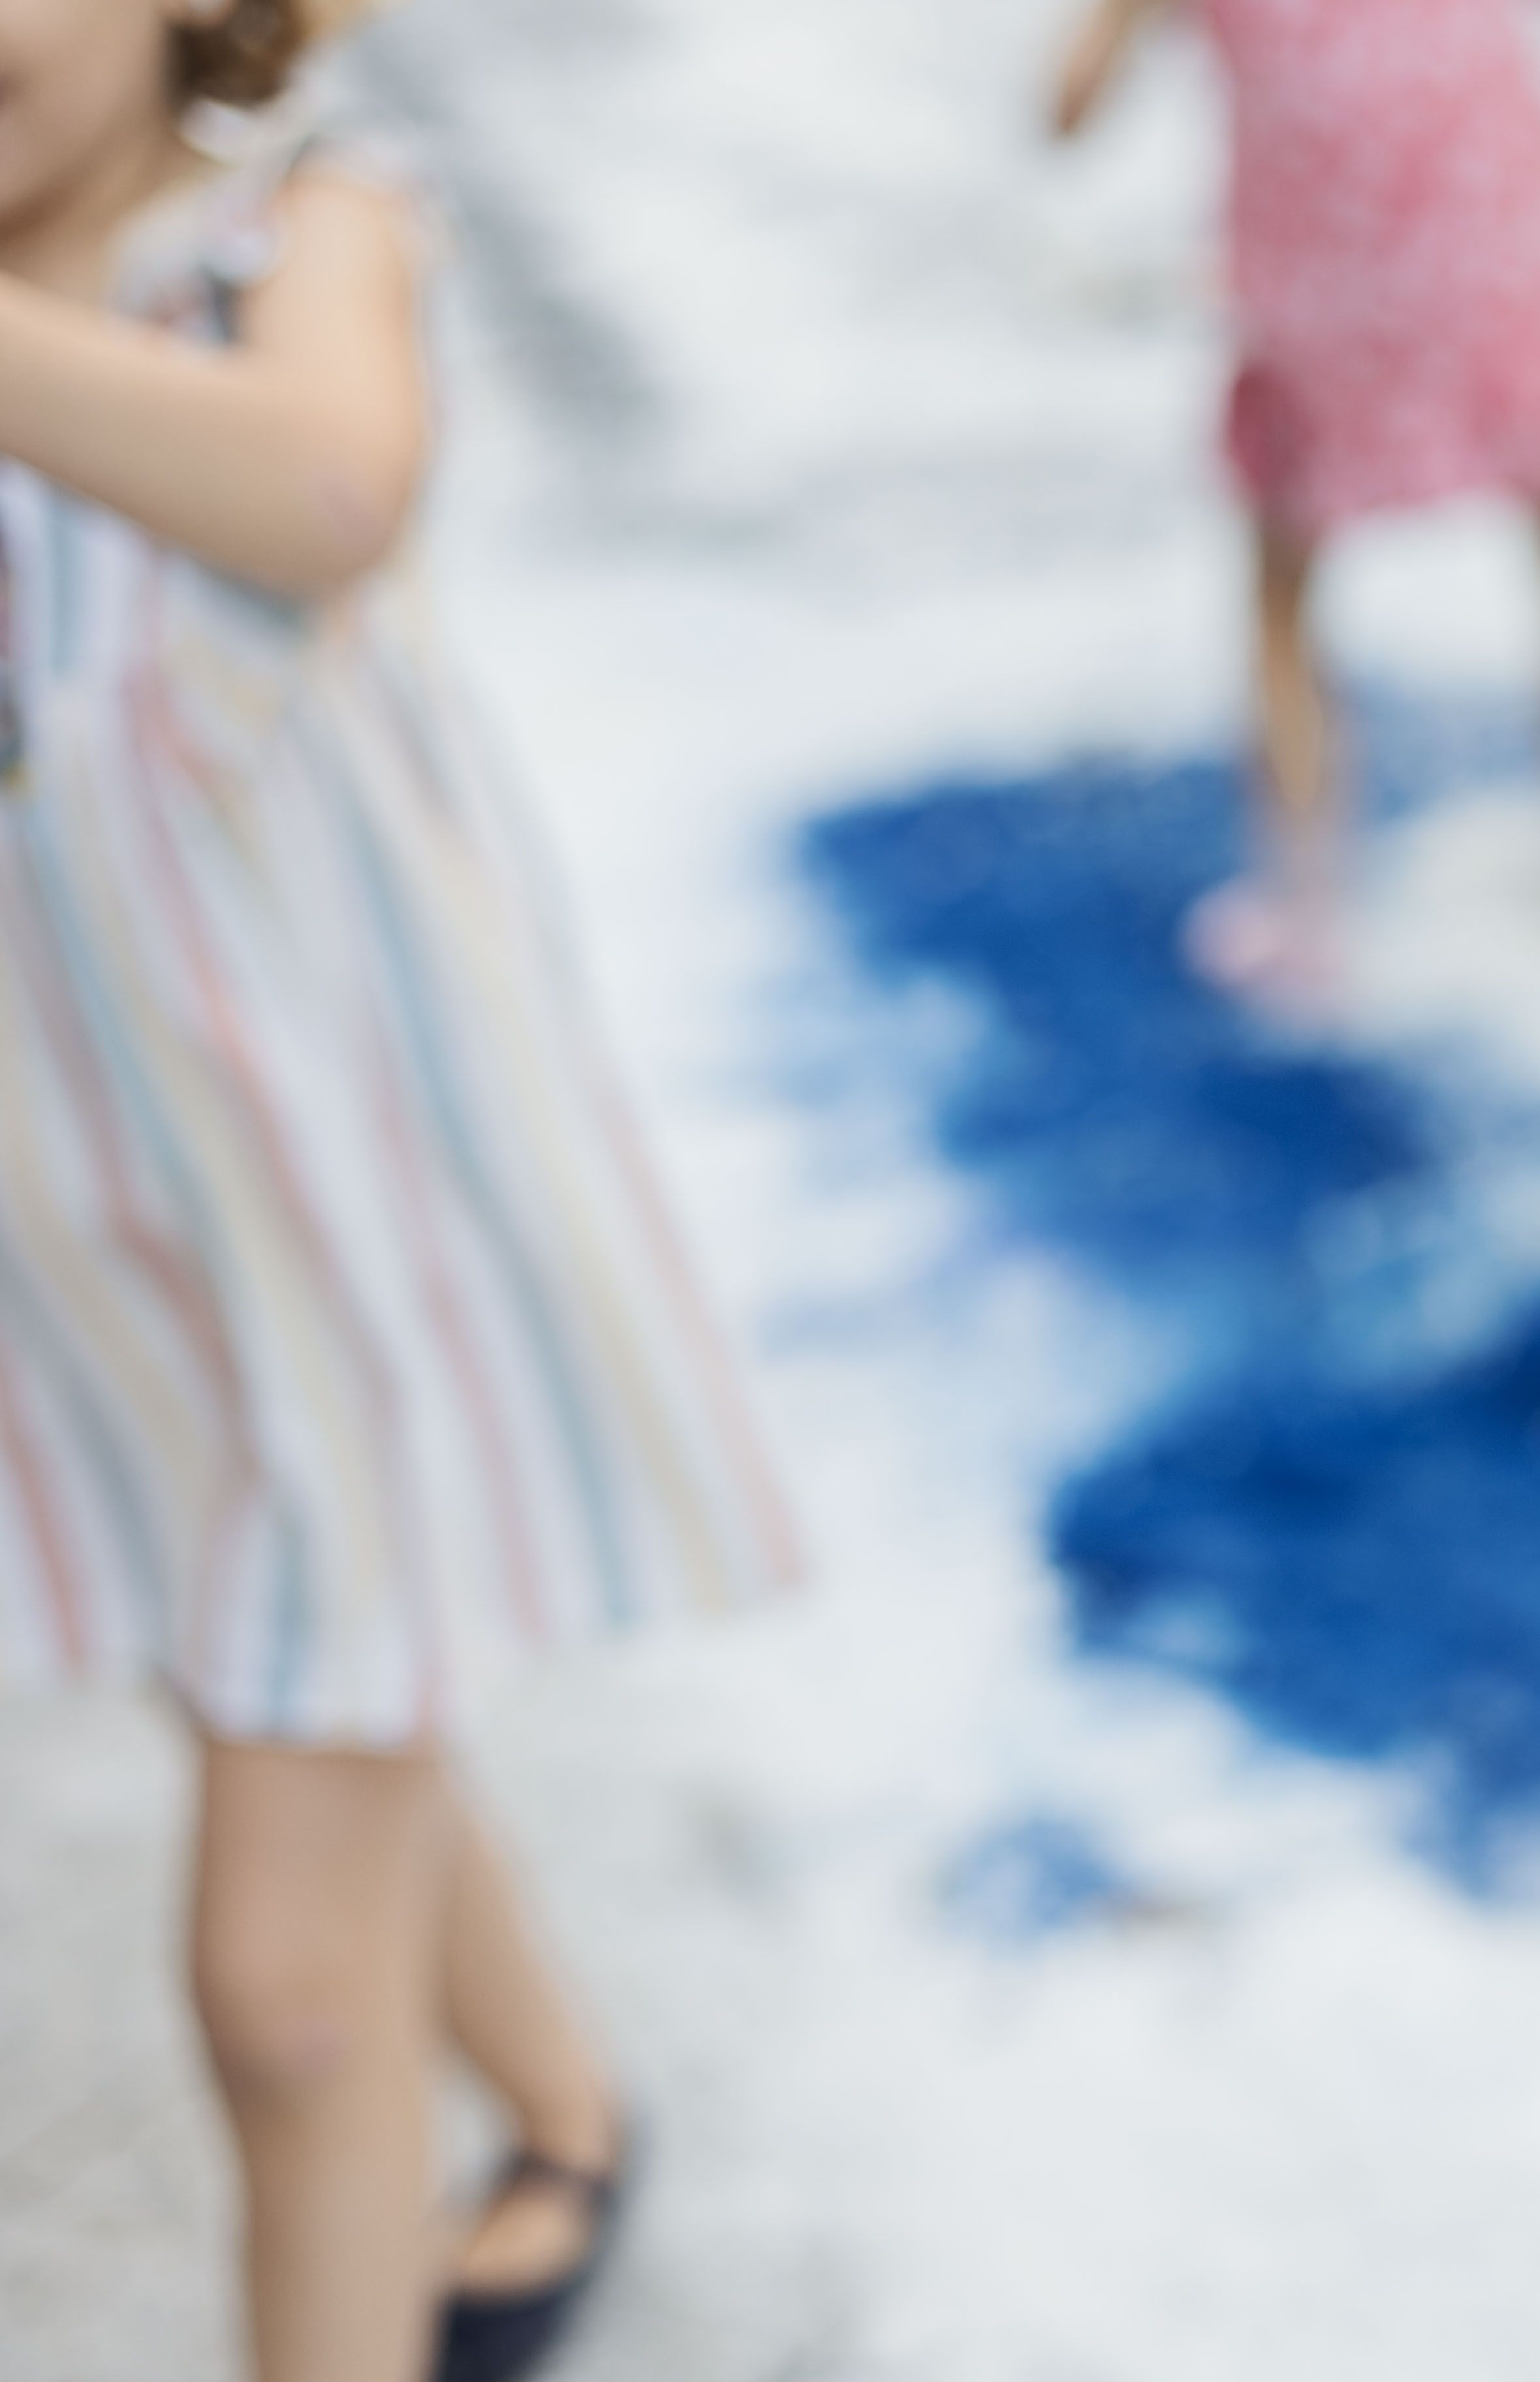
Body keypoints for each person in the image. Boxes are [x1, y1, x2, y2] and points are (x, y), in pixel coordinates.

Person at [0, 3, 799, 2376]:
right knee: (315, 1734)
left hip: (346, 1245)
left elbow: (332, 493)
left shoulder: (282, 246)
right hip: (95, 1257)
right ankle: (564, 2101)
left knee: (284, 1994)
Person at [1050, 0, 1540, 991]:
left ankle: (1305, 913)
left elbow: (1065, 114)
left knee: (1284, 598)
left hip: (1323, 303)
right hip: (1498, 256)